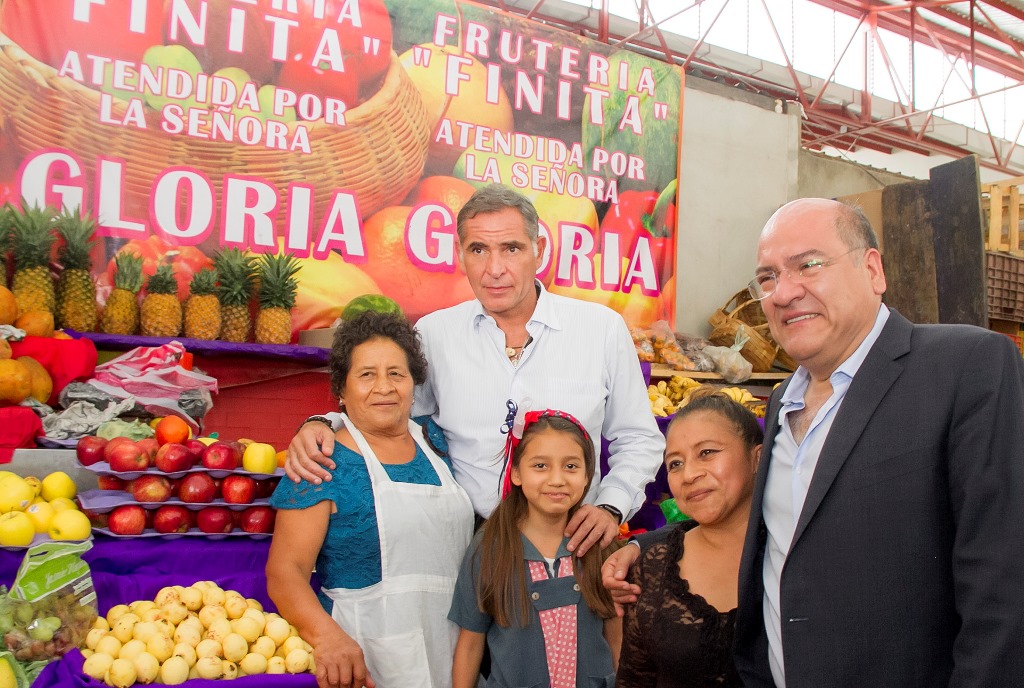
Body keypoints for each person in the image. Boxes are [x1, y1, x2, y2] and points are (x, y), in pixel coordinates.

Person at [604, 198, 1024, 687]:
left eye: (809, 265)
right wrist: (648, 549)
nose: (784, 292)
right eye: (768, 277)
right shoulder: (782, 402)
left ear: (873, 270)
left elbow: (1003, 578)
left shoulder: (964, 367)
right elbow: (781, 532)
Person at [286, 183, 664, 556]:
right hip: (467, 546)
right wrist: (324, 423)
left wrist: (611, 506)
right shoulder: (435, 334)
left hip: (573, 545)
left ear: (538, 250)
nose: (494, 269)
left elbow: (638, 438)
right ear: (460, 254)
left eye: (511, 248)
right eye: (478, 250)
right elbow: (391, 414)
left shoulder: (600, 329)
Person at [265, 311, 474, 688]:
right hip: (364, 653)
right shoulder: (320, 462)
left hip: (452, 649)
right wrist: (327, 639)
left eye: (396, 373)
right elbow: (285, 573)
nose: (384, 387)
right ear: (342, 391)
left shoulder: (437, 442)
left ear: (413, 384)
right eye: (366, 374)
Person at [448, 408, 621, 688]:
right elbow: (470, 644)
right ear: (516, 473)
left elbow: (617, 637)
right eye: (540, 466)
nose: (557, 479)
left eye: (571, 466)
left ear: (588, 475)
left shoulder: (599, 545)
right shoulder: (490, 548)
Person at [616, 389, 762, 688]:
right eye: (675, 463)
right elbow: (635, 678)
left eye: (707, 453)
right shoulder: (654, 567)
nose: (689, 474)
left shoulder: (797, 554)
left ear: (756, 458)